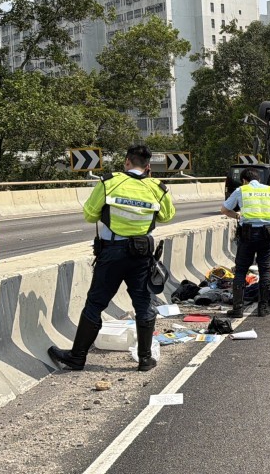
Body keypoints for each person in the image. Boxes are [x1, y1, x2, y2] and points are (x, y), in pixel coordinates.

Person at [47, 145, 176, 372]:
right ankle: (145, 359)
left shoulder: (109, 182)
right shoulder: (157, 187)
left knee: (96, 303)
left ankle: (77, 357)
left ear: (126, 162)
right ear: (148, 167)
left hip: (112, 252)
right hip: (142, 254)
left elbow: (89, 214)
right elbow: (166, 216)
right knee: (143, 304)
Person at [221, 168, 270, 317]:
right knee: (264, 269)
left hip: (248, 233)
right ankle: (263, 309)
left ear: (244, 180)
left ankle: (238, 309)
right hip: (267, 233)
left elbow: (225, 209)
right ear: (259, 179)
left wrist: (238, 216)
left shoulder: (242, 190)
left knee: (241, 270)